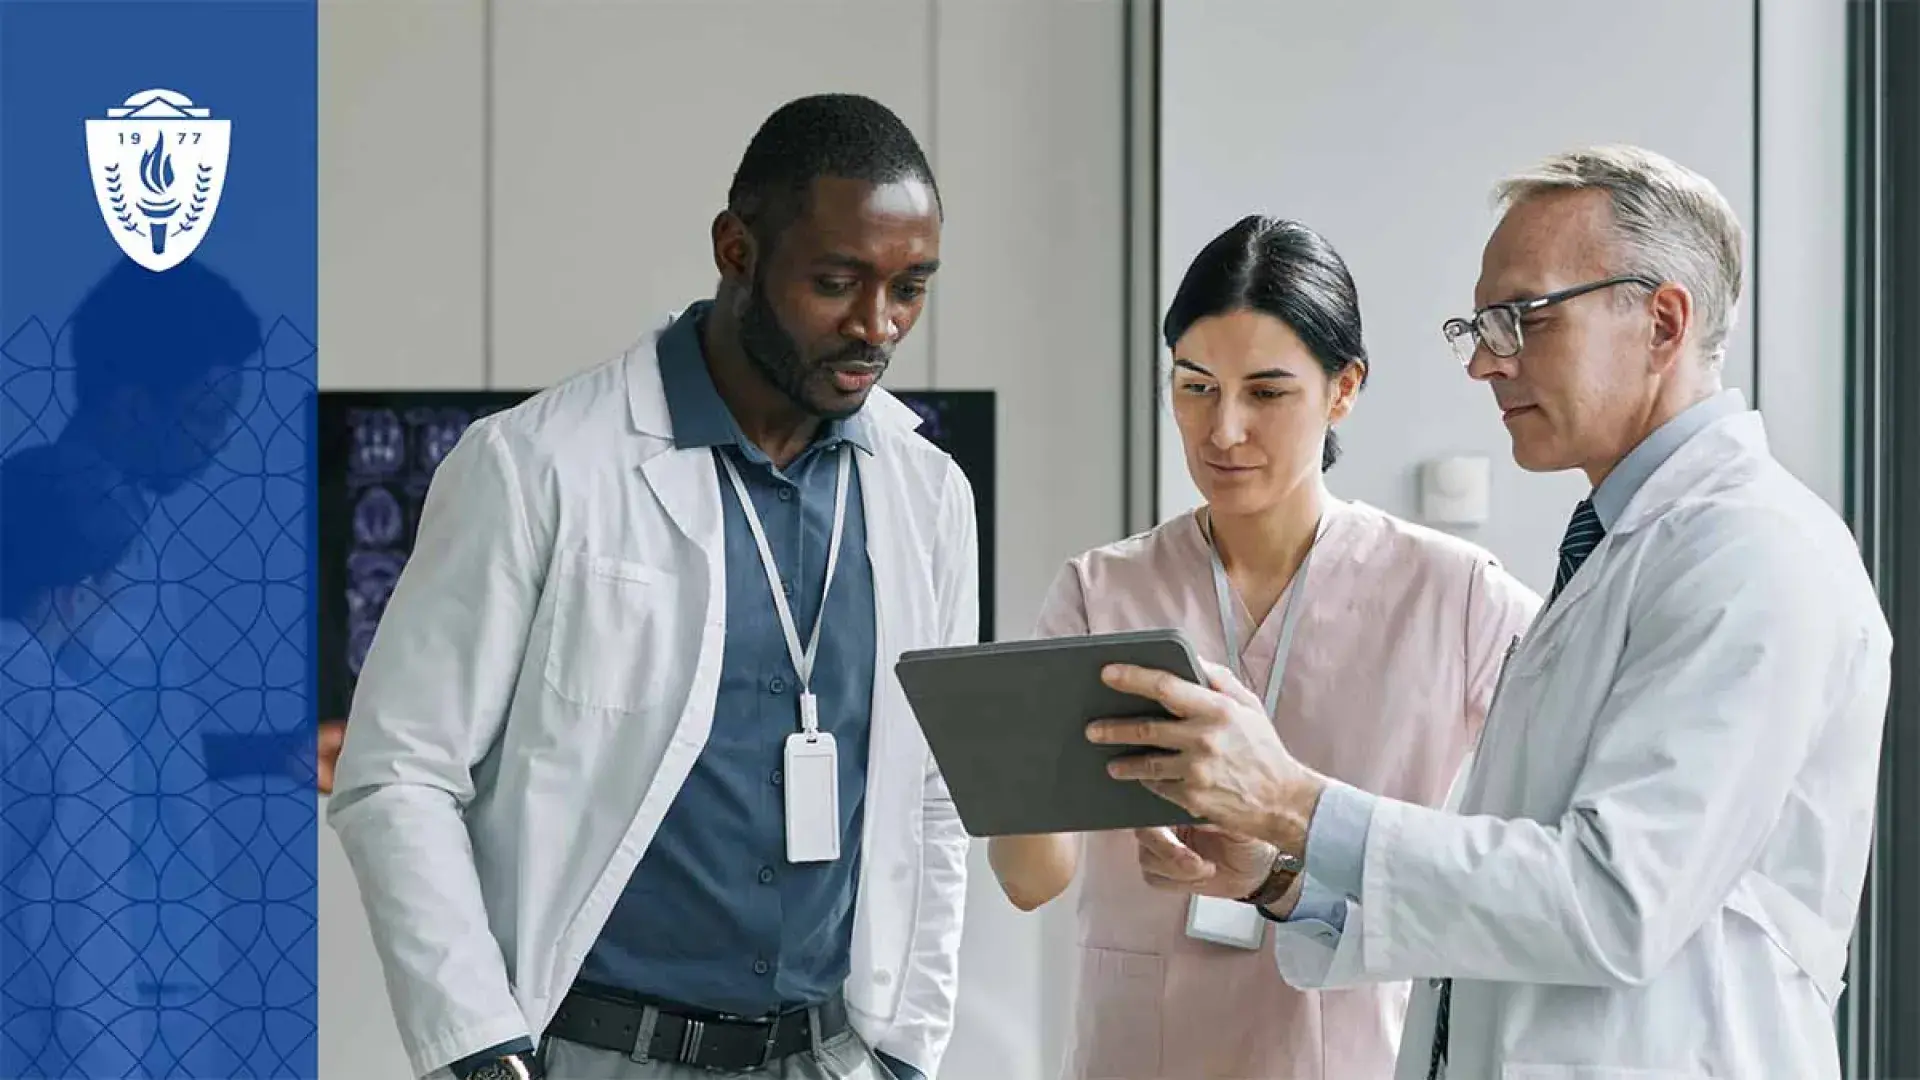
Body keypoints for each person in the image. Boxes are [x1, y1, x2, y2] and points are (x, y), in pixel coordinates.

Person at [1094, 145, 1892, 1079]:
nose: (1483, 361)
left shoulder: (1751, 552)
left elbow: (1612, 903)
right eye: (1479, 326)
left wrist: (1294, 804)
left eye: (1522, 319)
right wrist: (1278, 877)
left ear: (1663, 322)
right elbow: (1504, 897)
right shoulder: (1617, 550)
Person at [327, 93, 976, 1080]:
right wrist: (480, 1050)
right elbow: (397, 775)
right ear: (737, 250)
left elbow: (934, 793)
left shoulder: (927, 494)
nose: (876, 326)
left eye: (910, 289)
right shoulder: (536, 465)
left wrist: (906, 1053)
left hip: (829, 1056)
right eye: (837, 282)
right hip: (598, 1054)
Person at [986, 216, 1539, 1079]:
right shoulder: (1102, 591)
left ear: (1344, 389)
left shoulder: (1456, 594)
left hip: (1348, 1048)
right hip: (1139, 1049)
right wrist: (1013, 762)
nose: (1223, 430)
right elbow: (1030, 881)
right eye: (1195, 387)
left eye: (1267, 393)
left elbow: (1540, 863)